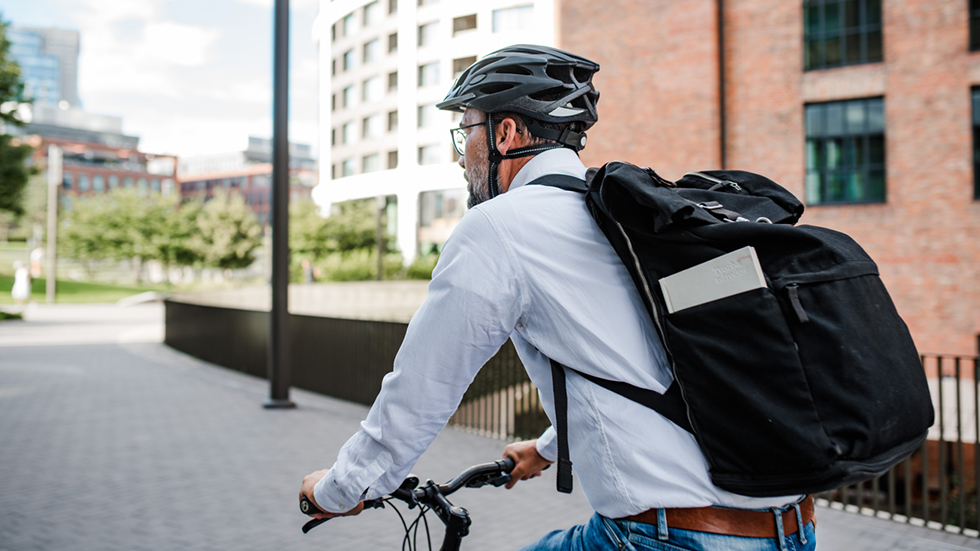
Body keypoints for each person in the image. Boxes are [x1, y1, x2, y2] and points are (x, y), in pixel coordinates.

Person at [300, 45, 816, 551]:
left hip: (668, 537)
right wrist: (546, 449)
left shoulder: (498, 228)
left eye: (466, 134)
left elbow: (421, 389)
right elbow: (646, 364)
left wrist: (341, 489)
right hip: (791, 527)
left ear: (506, 133)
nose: (461, 159)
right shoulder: (619, 217)